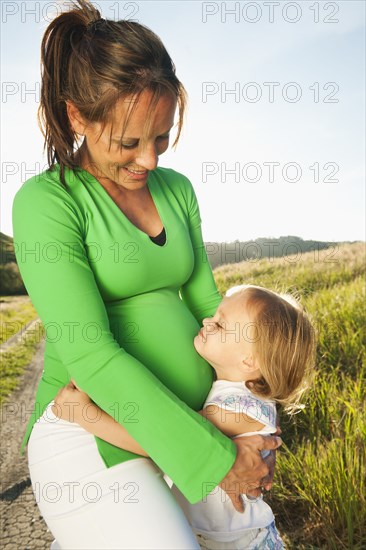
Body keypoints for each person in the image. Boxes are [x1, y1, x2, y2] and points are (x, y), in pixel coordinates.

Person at [11, 1, 282, 549]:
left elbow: (213, 306)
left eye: (161, 137)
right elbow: (91, 354)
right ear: (76, 118)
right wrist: (214, 455)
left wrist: (253, 419)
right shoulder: (45, 204)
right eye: (129, 143)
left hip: (188, 426)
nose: (151, 161)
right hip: (89, 428)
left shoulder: (177, 190)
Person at [54, 284, 316, 549]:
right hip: (218, 536)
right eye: (215, 315)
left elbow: (161, 442)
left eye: (221, 325)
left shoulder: (229, 410)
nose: (206, 321)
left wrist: (86, 416)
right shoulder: (248, 395)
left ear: (249, 361)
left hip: (240, 543)